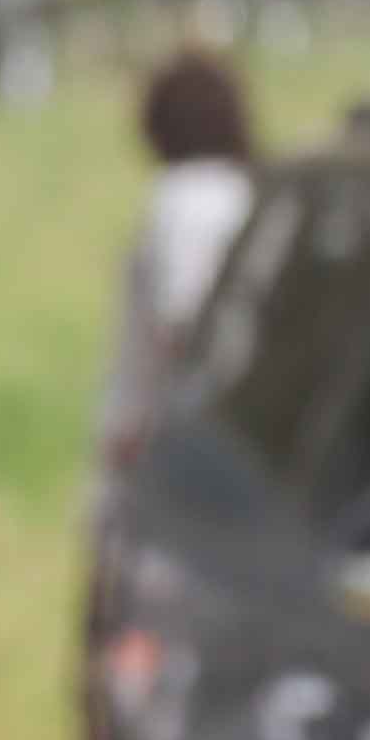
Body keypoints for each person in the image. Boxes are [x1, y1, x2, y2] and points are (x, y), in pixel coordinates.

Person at [103, 52, 258, 478]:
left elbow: (183, 321)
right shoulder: (248, 189)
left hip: (172, 448)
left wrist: (140, 429)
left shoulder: (184, 198)